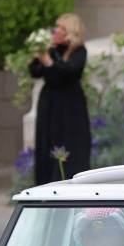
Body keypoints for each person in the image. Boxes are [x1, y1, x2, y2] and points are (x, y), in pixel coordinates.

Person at [29, 13, 91, 185]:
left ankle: (70, 182)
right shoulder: (52, 49)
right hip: (50, 104)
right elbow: (35, 71)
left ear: (70, 32)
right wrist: (40, 55)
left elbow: (69, 72)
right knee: (48, 143)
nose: (56, 31)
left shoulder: (79, 51)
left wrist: (49, 61)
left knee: (71, 144)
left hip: (70, 106)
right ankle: (46, 183)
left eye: (61, 28)